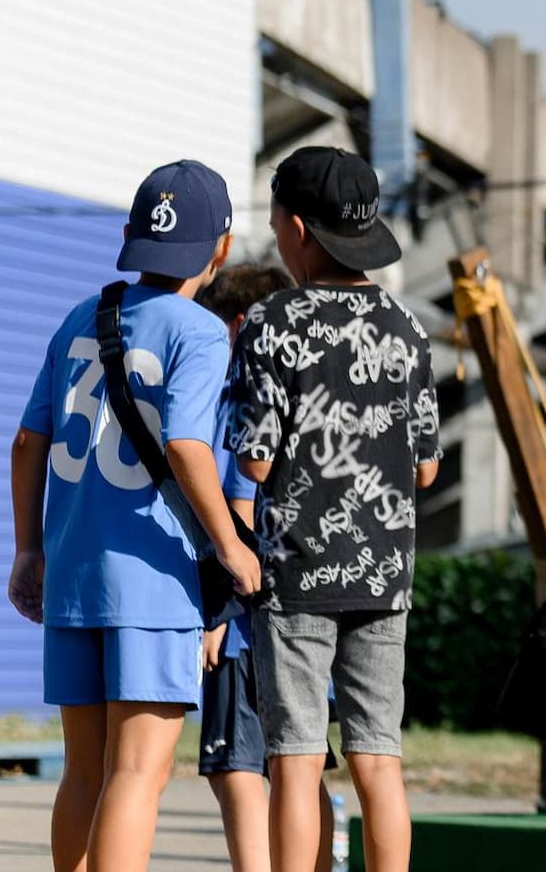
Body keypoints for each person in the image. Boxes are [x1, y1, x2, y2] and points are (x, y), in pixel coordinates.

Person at [7, 160, 261, 872]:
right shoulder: (203, 333)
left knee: (83, 771)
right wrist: (231, 549)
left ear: (130, 235)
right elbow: (186, 443)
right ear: (222, 249)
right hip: (153, 580)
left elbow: (28, 442)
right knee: (137, 774)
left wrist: (29, 550)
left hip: (74, 571)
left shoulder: (79, 318)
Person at [226, 147, 442, 872]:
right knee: (378, 756)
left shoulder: (273, 323)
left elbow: (254, 460)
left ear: (294, 228)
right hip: (384, 570)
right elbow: (428, 463)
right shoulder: (406, 327)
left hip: (297, 569)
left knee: (294, 756)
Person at [195, 264, 342, 872]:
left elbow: (238, 505)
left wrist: (219, 612)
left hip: (249, 623)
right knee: (303, 762)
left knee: (236, 768)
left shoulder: (244, 395)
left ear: (238, 328)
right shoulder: (312, 395)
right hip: (310, 605)